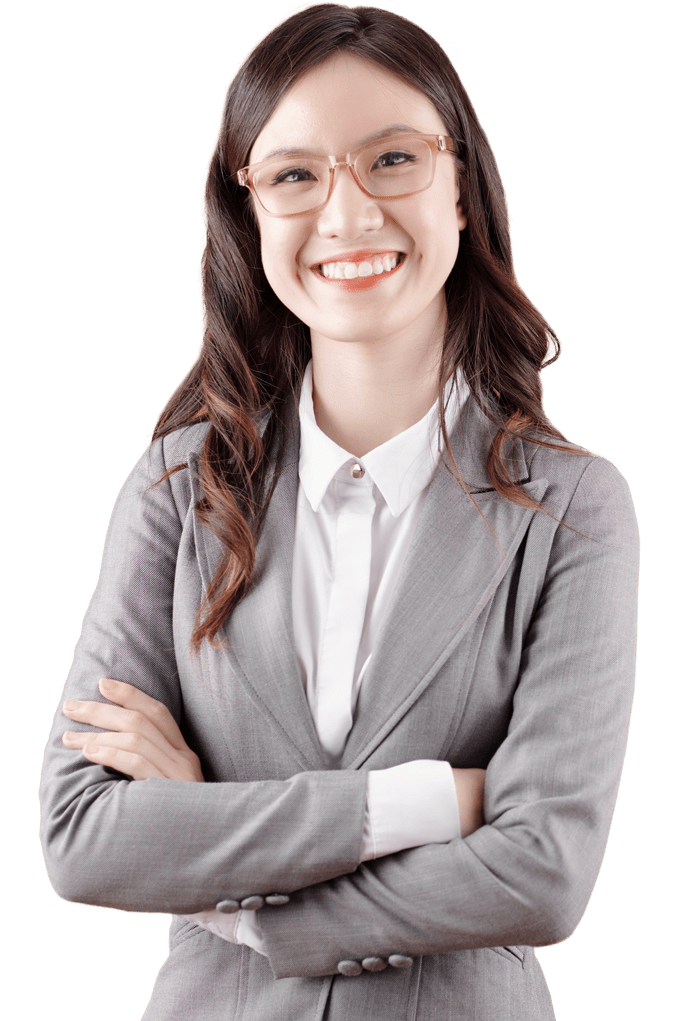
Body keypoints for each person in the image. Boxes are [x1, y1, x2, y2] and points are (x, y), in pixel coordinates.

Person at [38, 4, 639, 1019]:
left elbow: (543, 875)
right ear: (251, 212)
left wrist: (214, 849)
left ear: (462, 189)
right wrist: (421, 803)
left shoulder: (574, 508)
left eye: (392, 160)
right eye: (295, 175)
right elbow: (83, 836)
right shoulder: (178, 486)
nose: (347, 216)